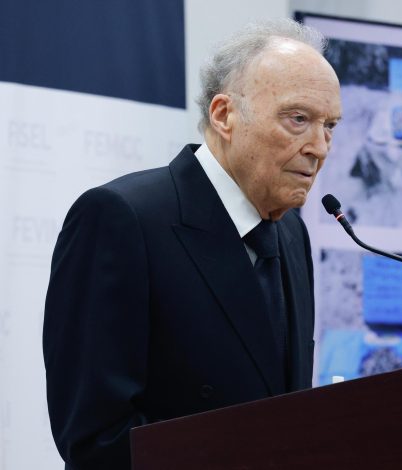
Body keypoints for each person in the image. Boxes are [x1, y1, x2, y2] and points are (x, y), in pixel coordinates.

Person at [42, 18, 341, 470]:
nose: (319, 147)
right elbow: (96, 438)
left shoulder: (292, 234)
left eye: (330, 125)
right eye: (298, 119)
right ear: (224, 115)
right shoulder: (121, 218)